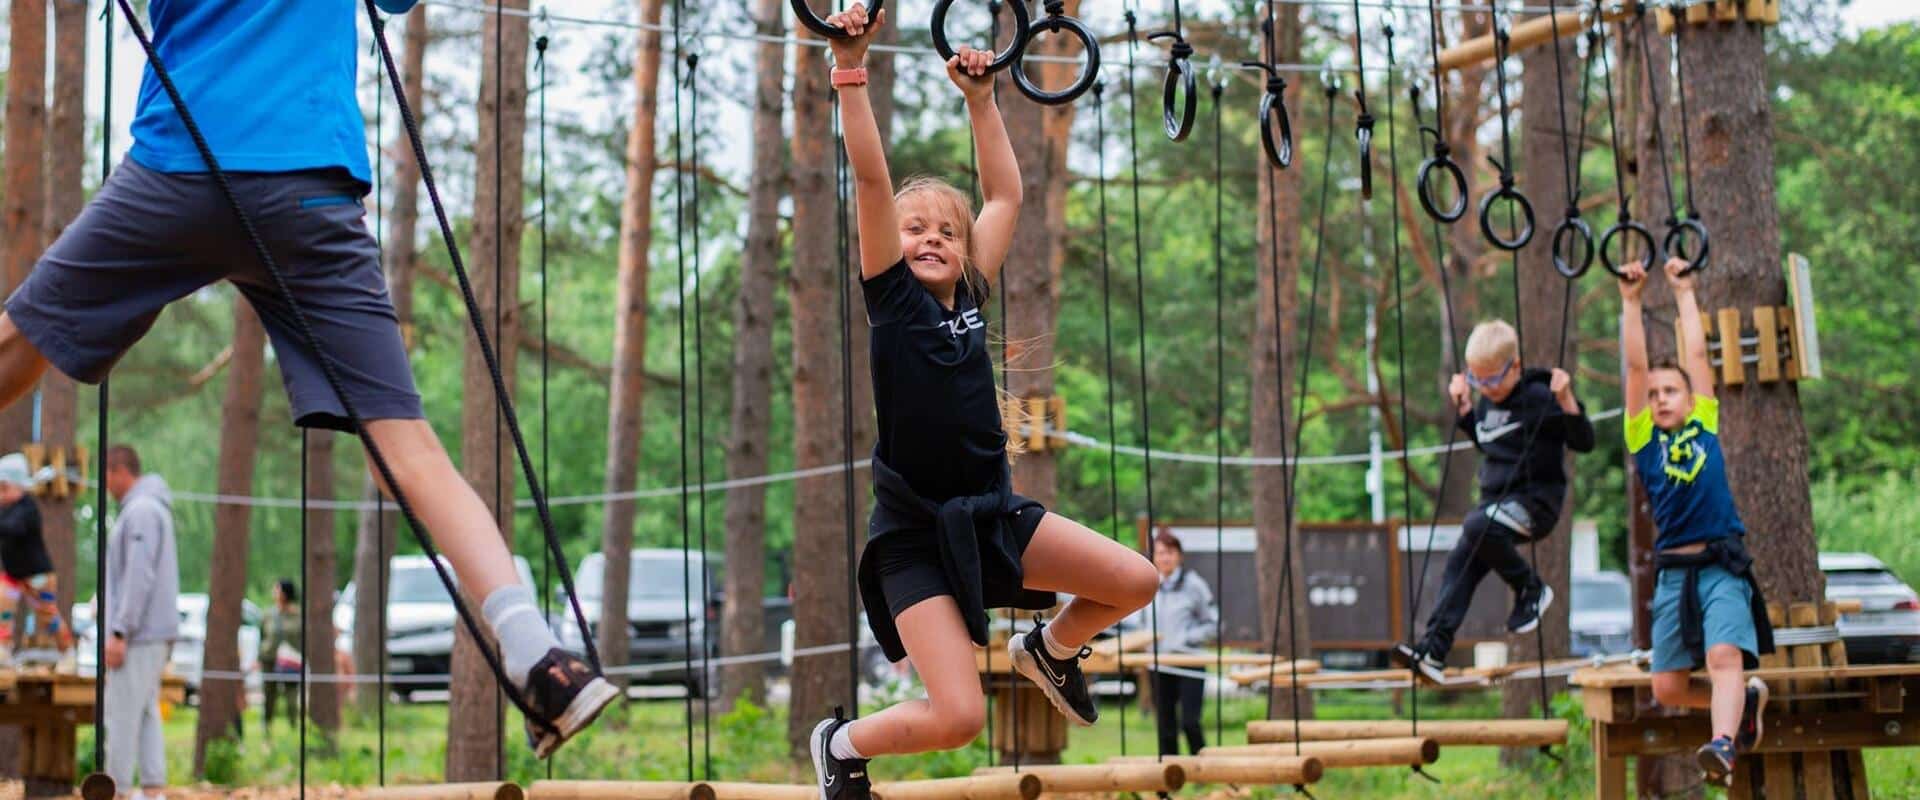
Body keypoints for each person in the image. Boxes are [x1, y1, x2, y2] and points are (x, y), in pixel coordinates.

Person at [0, 1, 612, 755]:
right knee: (408, 447)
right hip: (308, 184)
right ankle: (537, 653)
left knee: (18, 338)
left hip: (181, 166)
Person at [806, 7, 1159, 798]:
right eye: (914, 229)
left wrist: (981, 99)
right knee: (959, 716)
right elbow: (871, 180)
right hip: (913, 539)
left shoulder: (969, 294)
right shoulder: (891, 300)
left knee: (1135, 580)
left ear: (965, 250)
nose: (931, 238)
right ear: (891, 243)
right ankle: (843, 742)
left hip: (991, 515)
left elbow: (1004, 193)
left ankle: (1051, 650)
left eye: (946, 231)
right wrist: (851, 72)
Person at [1618, 258, 1772, 786]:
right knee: (1667, 687)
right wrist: (1631, 302)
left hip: (1720, 564)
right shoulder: (1643, 440)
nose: (1661, 398)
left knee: (1724, 654)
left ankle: (1723, 745)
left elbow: (1697, 354)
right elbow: (1635, 368)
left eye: (1671, 391)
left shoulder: (1705, 424)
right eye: (1654, 394)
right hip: (1674, 574)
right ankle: (1743, 703)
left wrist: (1684, 292)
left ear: (1691, 399)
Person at [1391, 320, 1595, 683]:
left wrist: (1567, 401)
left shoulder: (1538, 397)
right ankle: (1433, 650)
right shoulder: (1487, 402)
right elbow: (1492, 442)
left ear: (1515, 366)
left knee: (1475, 525)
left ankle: (1531, 589)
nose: (1485, 388)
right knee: (1460, 562)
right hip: (1496, 508)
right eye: (1477, 379)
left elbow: (1584, 442)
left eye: (1492, 379)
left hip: (1535, 505)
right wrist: (1466, 411)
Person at [102, 447, 178, 800]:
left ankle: (115, 789)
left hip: (139, 634)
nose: (105, 484)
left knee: (121, 714)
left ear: (120, 471)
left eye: (106, 474)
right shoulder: (147, 509)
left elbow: (138, 575)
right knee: (146, 712)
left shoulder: (142, 511)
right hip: (148, 632)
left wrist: (120, 629)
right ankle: (152, 789)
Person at [1137, 530, 1217, 756]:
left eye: (1170, 552)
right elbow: (1138, 621)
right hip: (1158, 663)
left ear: (1179, 556)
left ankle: (1202, 767)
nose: (1165, 558)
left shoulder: (1194, 585)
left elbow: (1212, 623)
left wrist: (1187, 639)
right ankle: (1170, 771)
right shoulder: (1147, 585)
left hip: (1189, 661)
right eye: (1160, 553)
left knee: (1190, 722)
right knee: (1165, 726)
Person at [0, 452, 73, 663]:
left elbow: (14, 528)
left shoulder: (27, 509)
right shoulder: (5, 510)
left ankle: (67, 651)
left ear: (19, 486)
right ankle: (3, 650)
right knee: (2, 608)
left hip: (37, 576)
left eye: (4, 488)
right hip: (13, 575)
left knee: (47, 615)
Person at [257, 579, 303, 734]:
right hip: (269, 659)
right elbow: (262, 636)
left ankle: (294, 728)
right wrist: (259, 657)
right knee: (269, 695)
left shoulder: (297, 615)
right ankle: (266, 728)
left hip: (291, 661)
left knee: (291, 696)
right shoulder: (268, 614)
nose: (274, 592)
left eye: (277, 589)